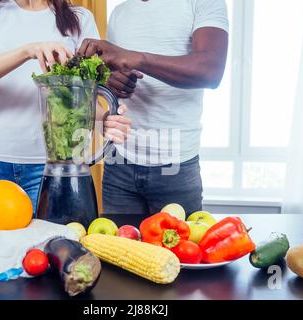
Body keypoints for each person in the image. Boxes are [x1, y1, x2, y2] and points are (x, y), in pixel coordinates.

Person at [0, 0, 131, 215]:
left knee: (52, 246)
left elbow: (83, 97)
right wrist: (27, 51)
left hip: (53, 167)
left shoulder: (79, 18)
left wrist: (105, 121)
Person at [78, 0, 229, 215]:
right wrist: (113, 79)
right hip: (119, 162)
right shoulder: (119, 13)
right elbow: (116, 71)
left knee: (175, 249)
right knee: (117, 248)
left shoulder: (203, 3)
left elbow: (210, 71)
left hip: (176, 165)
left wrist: (137, 58)